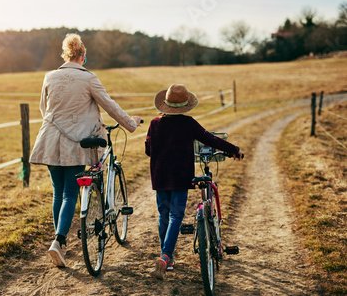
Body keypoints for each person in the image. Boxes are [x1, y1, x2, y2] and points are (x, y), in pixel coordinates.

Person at [30, 33, 141, 268]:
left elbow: (44, 109)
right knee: (71, 193)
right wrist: (131, 123)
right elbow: (110, 106)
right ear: (83, 57)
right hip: (75, 142)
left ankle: (59, 243)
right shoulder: (89, 78)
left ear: (65, 55)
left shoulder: (50, 76)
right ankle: (59, 241)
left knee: (57, 192)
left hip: (51, 138)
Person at [145, 83, 244, 280]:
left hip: (160, 177)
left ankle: (168, 258)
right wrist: (234, 149)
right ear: (184, 105)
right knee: (176, 216)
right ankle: (165, 256)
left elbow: (149, 150)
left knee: (163, 214)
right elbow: (210, 139)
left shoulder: (154, 124)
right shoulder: (188, 123)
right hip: (180, 177)